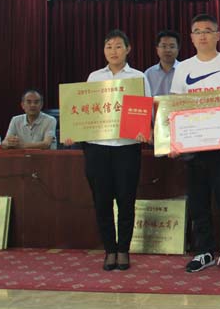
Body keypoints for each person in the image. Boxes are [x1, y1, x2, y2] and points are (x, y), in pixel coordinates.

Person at [63, 29, 151, 272]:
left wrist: (144, 127)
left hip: (127, 147)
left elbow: (146, 108)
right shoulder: (94, 77)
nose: (113, 51)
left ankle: (123, 250)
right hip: (97, 148)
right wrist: (73, 131)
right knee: (101, 201)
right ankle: (109, 250)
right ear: (104, 50)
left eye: (118, 46)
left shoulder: (138, 77)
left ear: (128, 49)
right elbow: (83, 111)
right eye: (109, 46)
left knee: (126, 200)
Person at [170, 14, 220, 274]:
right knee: (198, 203)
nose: (203, 35)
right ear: (191, 38)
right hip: (193, 148)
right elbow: (176, 107)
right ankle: (203, 251)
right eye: (197, 31)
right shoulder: (183, 68)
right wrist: (174, 142)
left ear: (217, 35)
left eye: (208, 30)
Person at [145, 30, 181, 96]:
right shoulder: (149, 73)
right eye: (164, 46)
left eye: (172, 47)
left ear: (178, 49)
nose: (168, 50)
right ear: (157, 49)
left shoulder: (184, 70)